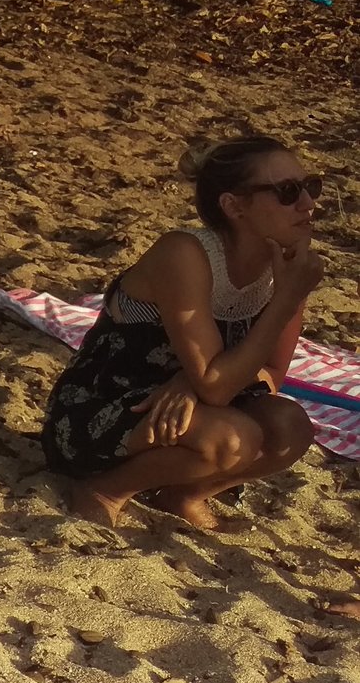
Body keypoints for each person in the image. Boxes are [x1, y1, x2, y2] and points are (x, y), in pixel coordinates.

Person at [44, 136, 324, 529]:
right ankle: (106, 489)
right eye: (287, 192)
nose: (308, 204)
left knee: (292, 426)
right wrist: (285, 301)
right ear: (233, 206)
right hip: (105, 407)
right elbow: (215, 384)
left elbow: (273, 374)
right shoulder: (186, 254)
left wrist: (191, 382)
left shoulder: (287, 264)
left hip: (190, 409)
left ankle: (182, 493)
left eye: (311, 186)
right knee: (233, 438)